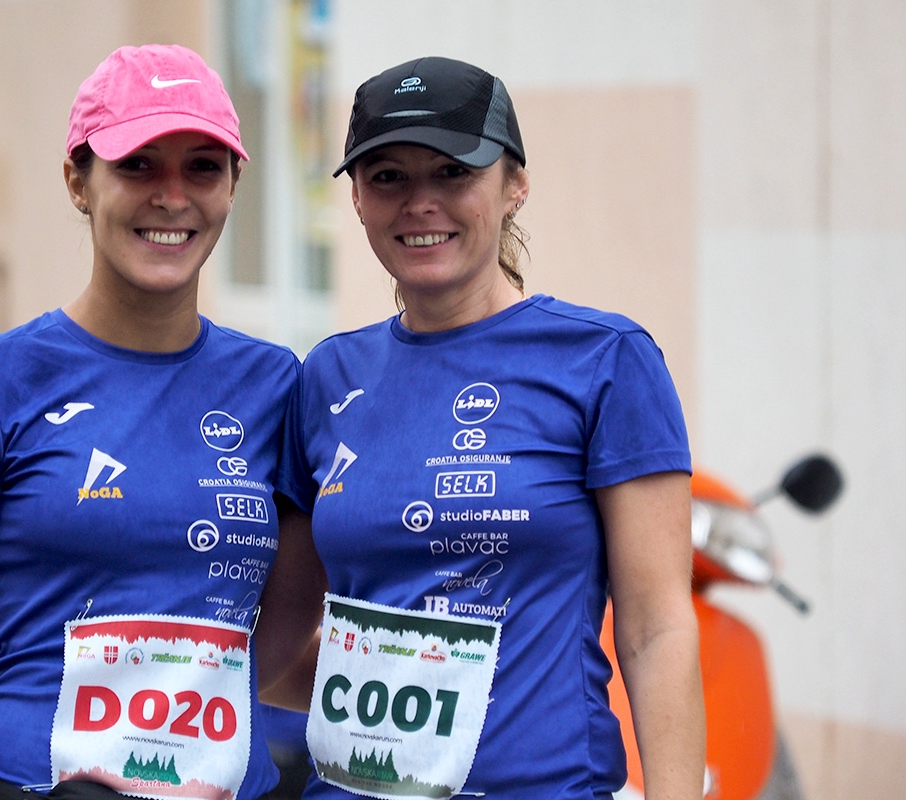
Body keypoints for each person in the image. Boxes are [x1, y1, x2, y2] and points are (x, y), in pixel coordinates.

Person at [0, 44, 323, 800]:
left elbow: (276, 647)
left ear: (233, 186)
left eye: (202, 167)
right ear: (77, 182)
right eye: (138, 165)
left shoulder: (279, 386)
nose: (172, 197)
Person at [265, 56, 706, 800]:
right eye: (388, 178)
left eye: (452, 172)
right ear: (358, 199)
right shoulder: (327, 377)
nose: (420, 203)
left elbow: (656, 629)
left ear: (514, 184)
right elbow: (275, 643)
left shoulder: (605, 359)